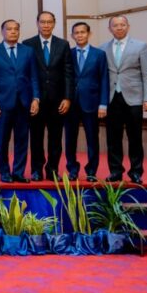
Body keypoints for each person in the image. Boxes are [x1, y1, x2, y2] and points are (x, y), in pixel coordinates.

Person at [100, 15, 147, 185]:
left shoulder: (140, 46)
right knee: (113, 138)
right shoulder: (102, 48)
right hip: (112, 98)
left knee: (135, 137)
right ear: (110, 29)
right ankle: (115, 171)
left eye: (122, 25)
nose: (119, 27)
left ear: (128, 27)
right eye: (115, 25)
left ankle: (136, 172)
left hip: (134, 99)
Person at [22, 11, 75, 181]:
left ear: (54, 23)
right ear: (37, 23)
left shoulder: (63, 44)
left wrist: (67, 98)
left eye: (49, 22)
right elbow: (26, 74)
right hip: (35, 100)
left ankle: (52, 170)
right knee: (36, 137)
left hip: (58, 100)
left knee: (55, 138)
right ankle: (36, 170)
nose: (46, 25)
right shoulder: (27, 44)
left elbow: (68, 73)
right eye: (42, 22)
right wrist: (32, 98)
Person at [0, 20, 40, 184]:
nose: (13, 32)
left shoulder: (28, 51)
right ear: (2, 32)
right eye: (9, 29)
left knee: (22, 140)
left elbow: (34, 77)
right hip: (2, 103)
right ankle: (4, 172)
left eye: (16, 29)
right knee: (2, 140)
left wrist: (36, 98)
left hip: (24, 102)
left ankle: (18, 172)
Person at [65, 22, 109, 182]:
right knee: (70, 139)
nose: (79, 35)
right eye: (76, 33)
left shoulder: (99, 54)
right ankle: (72, 169)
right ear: (72, 36)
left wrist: (103, 103)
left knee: (92, 139)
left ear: (89, 34)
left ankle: (91, 171)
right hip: (71, 104)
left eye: (82, 32)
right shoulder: (68, 54)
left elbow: (104, 79)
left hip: (92, 102)